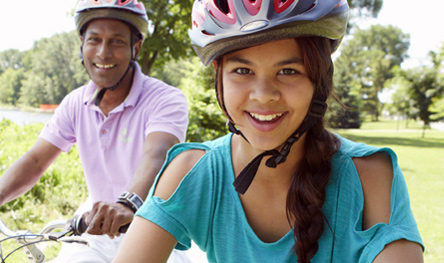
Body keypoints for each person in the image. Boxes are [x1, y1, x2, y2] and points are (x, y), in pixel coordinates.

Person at [114, 0, 425, 262]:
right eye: (242, 71)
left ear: (319, 82)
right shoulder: (193, 173)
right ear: (219, 80)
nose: (263, 95)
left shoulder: (370, 177)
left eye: (288, 71)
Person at [0, 0, 191, 262]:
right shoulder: (75, 103)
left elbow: (157, 153)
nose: (103, 52)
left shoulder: (166, 99)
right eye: (94, 40)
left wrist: (128, 203)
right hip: (93, 231)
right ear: (82, 44)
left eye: (116, 42)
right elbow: (35, 160)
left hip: (153, 227)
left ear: (136, 47)